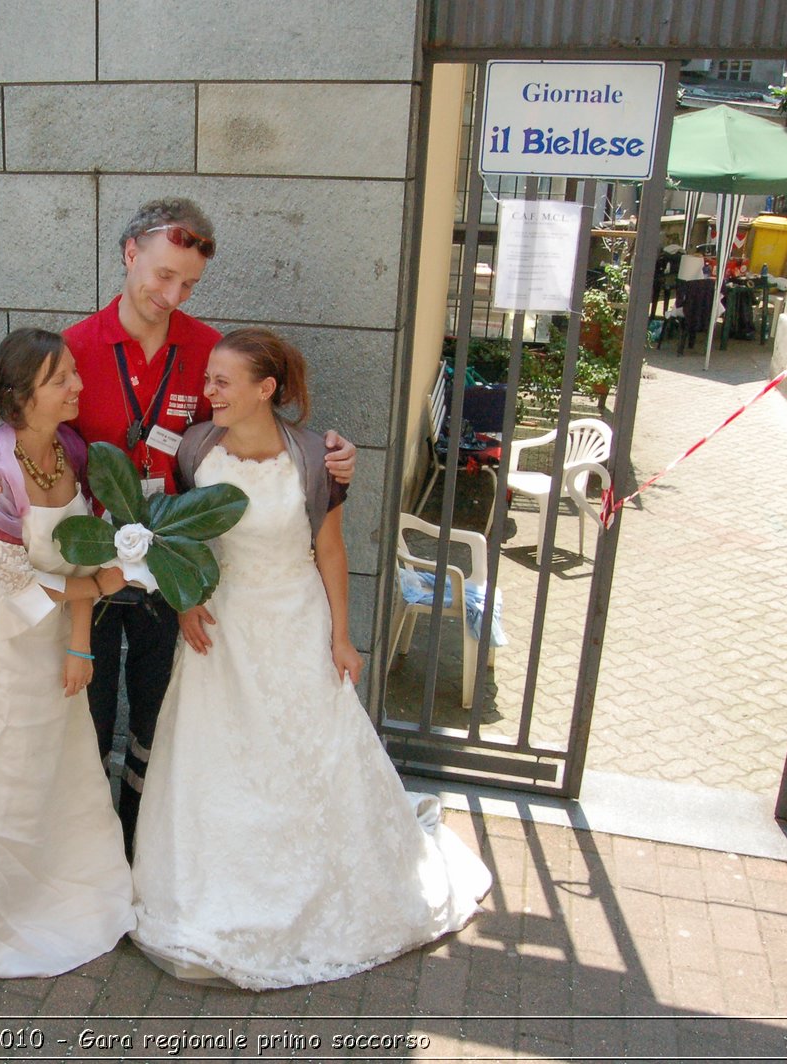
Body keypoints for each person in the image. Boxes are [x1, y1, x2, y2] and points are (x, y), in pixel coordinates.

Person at [0, 198, 357, 855]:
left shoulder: (206, 350)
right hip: (86, 568)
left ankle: (141, 851)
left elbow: (259, 423)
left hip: (172, 569)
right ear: (129, 253)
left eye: (189, 284)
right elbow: (20, 433)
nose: (173, 295)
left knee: (158, 714)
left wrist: (333, 454)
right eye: (163, 274)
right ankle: (89, 852)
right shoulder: (74, 349)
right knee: (85, 710)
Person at [130, 328, 492, 990]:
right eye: (207, 378)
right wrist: (184, 602)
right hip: (219, 623)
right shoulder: (194, 448)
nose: (206, 391)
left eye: (221, 381)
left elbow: (330, 551)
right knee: (217, 754)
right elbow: (175, 536)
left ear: (265, 390)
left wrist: (342, 637)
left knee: (307, 751)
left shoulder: (313, 457)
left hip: (293, 619)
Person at [0, 328, 135, 978]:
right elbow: (22, 578)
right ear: (22, 395)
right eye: (63, 379)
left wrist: (82, 645)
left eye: (75, 373)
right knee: (1, 770)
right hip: (3, 636)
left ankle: (70, 887)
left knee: (61, 763)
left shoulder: (73, 450)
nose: (78, 387)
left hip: (58, 634)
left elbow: (85, 548)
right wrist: (108, 584)